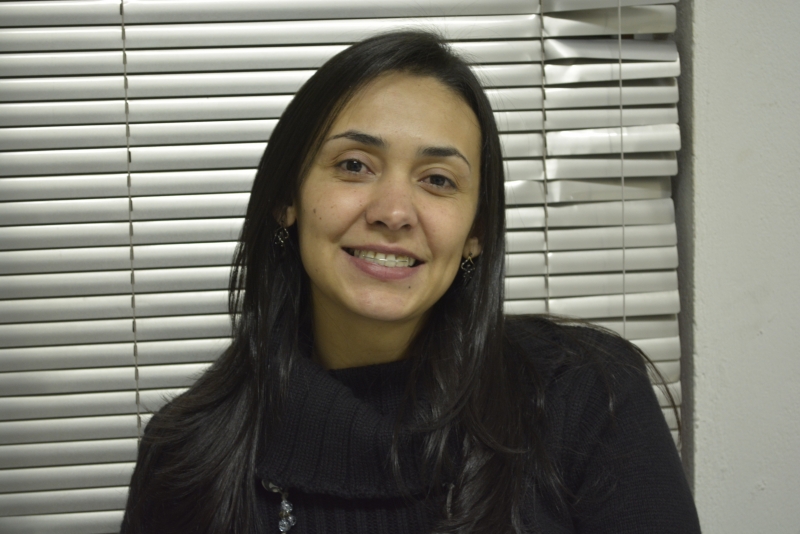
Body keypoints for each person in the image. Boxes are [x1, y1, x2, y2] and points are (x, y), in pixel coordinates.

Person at [121, 31, 700, 534]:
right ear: (286, 200)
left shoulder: (588, 397)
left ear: (476, 233)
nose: (394, 212)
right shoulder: (186, 455)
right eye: (354, 165)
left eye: (438, 180)